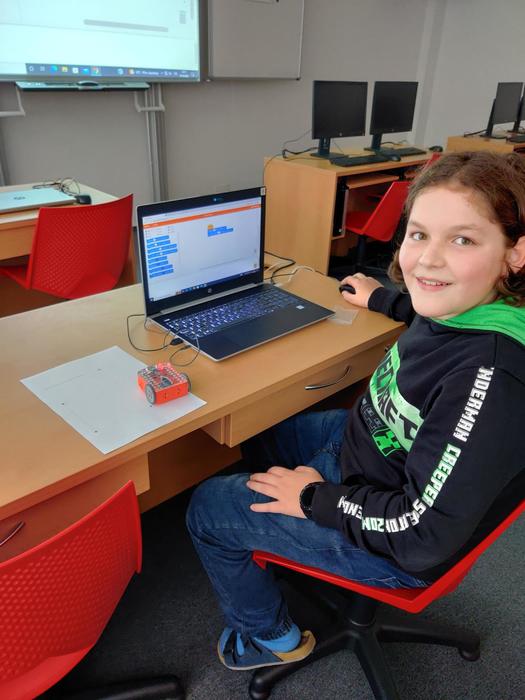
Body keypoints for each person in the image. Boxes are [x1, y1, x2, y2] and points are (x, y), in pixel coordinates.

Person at [186, 151, 525, 672]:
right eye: (419, 235)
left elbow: (420, 535)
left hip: (395, 540)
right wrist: (383, 299)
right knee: (264, 430)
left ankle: (267, 636)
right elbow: (431, 311)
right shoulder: (475, 304)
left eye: (462, 240)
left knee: (208, 507)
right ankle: (280, 541)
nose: (427, 261)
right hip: (365, 450)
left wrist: (312, 500)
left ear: (515, 253)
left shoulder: (490, 381)